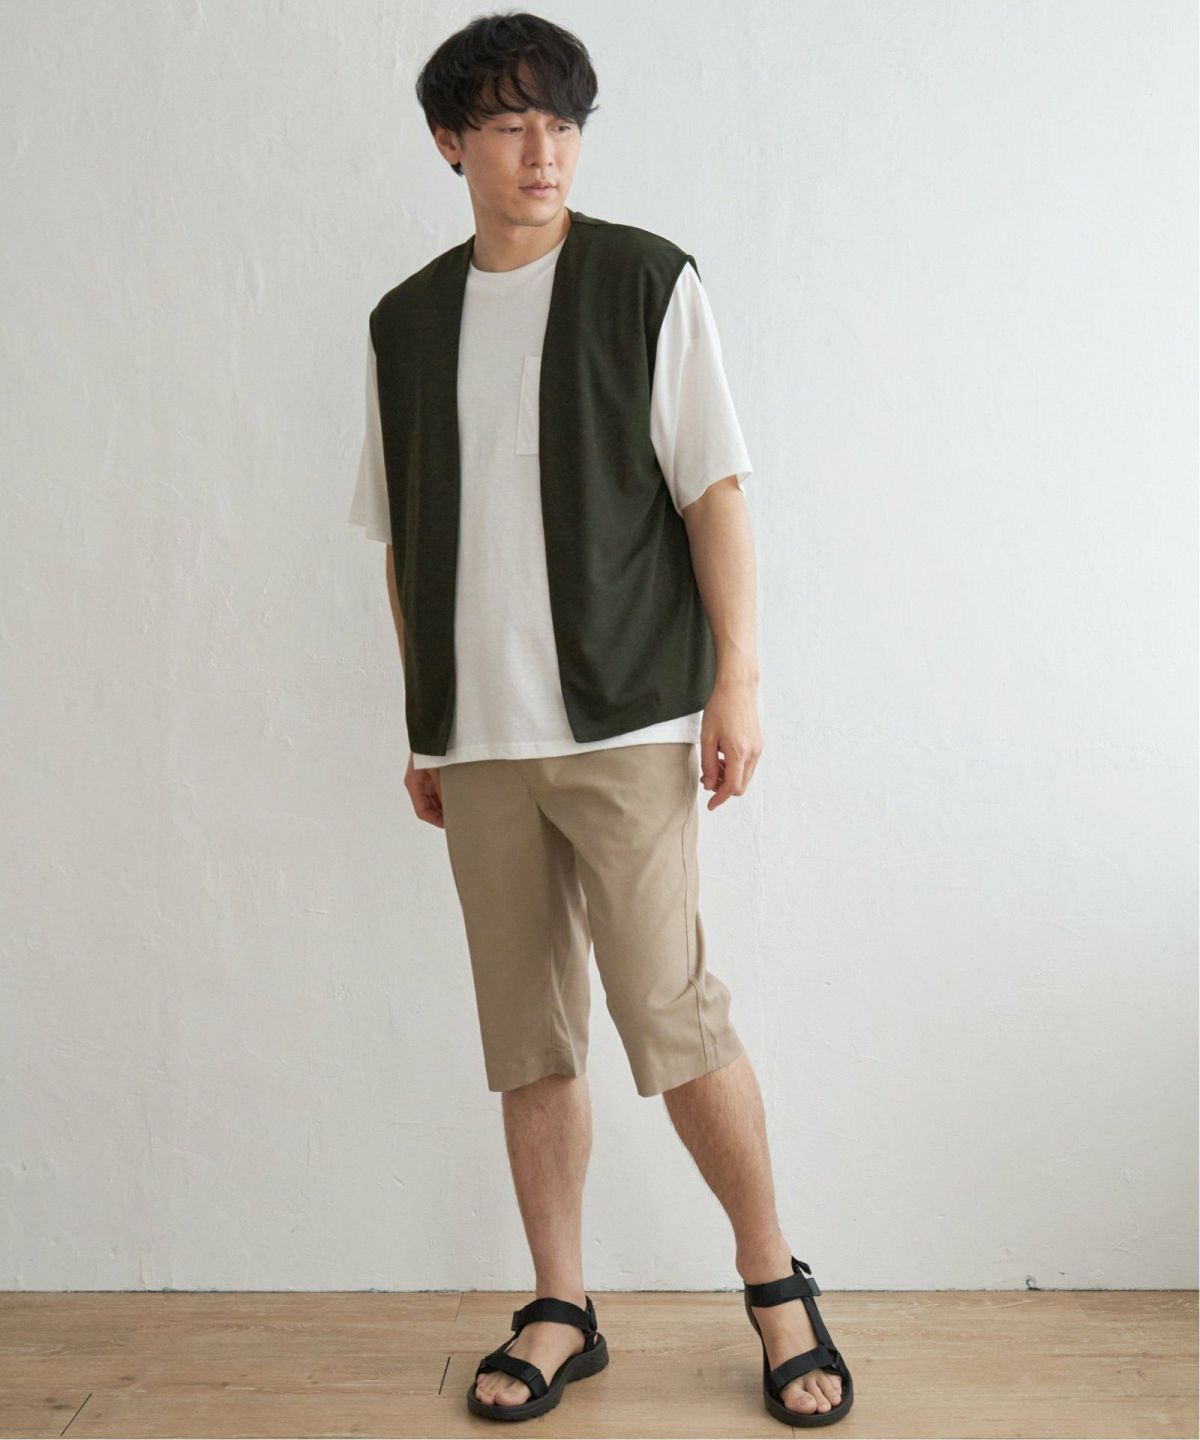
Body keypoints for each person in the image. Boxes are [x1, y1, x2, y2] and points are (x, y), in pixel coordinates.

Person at [348, 11, 853, 1428]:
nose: (543, 150)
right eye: (510, 123)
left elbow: (714, 491)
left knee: (671, 1018)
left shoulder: (644, 280)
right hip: (478, 742)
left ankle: (775, 1283)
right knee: (528, 1039)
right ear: (450, 142)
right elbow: (403, 541)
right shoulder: (404, 323)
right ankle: (561, 1304)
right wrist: (426, 725)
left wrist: (737, 678)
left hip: (626, 719)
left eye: (562, 123)